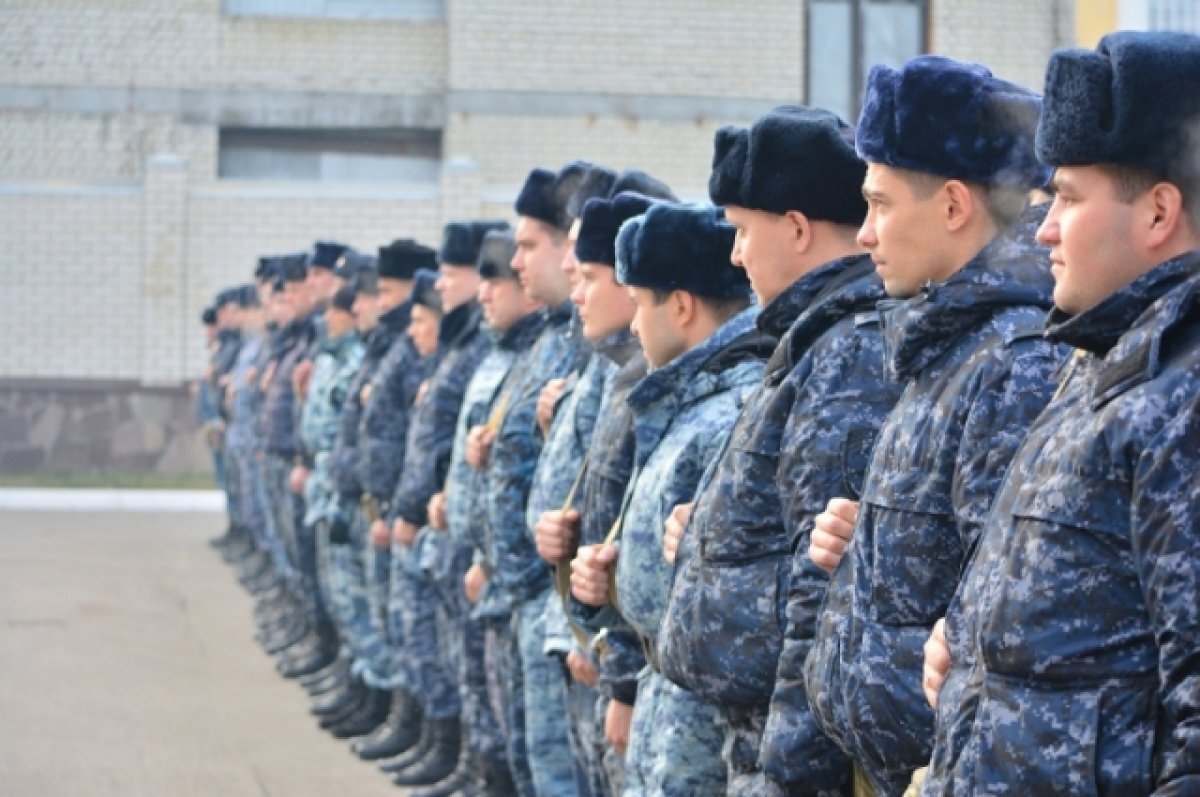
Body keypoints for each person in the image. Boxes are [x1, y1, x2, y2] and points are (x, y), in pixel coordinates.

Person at [921, 30, 1200, 796]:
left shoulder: (1183, 394)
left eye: (1068, 199)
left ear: (1158, 214)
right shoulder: (1104, 362)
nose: (1042, 228)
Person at [802, 55, 1067, 795]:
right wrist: (869, 543)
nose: (863, 234)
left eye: (880, 204)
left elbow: (1001, 617)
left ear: (953, 205)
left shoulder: (1012, 362)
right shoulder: (949, 342)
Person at [653, 105, 902, 796]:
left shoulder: (847, 351)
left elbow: (819, 586)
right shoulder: (810, 339)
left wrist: (788, 773)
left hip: (783, 751)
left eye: (741, 231)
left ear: (795, 228)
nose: (734, 255)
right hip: (755, 731)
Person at [569, 201, 772, 796]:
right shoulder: (687, 402)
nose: (633, 326)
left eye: (639, 304)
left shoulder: (724, 414)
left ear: (681, 306)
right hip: (664, 699)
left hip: (695, 718)